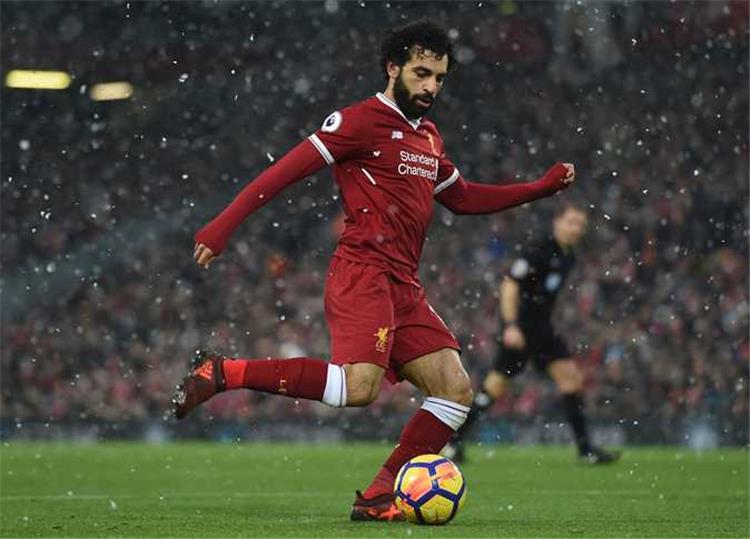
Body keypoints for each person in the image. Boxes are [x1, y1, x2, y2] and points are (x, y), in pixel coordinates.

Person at [172, 19, 576, 521]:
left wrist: (539, 188)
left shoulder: (428, 137)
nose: (431, 87)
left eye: (439, 78)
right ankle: (223, 373)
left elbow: (464, 198)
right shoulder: (358, 122)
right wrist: (223, 225)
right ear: (393, 68)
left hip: (404, 283)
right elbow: (282, 172)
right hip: (362, 272)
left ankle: (379, 496)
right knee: (357, 389)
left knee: (455, 392)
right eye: (421, 73)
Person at [443, 204, 621, 464]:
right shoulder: (540, 249)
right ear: (557, 222)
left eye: (580, 225)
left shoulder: (568, 255)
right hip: (522, 329)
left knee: (571, 380)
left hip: (543, 330)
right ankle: (453, 442)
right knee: (494, 387)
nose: (576, 229)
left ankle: (586, 451)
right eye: (571, 222)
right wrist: (511, 325)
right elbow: (510, 286)